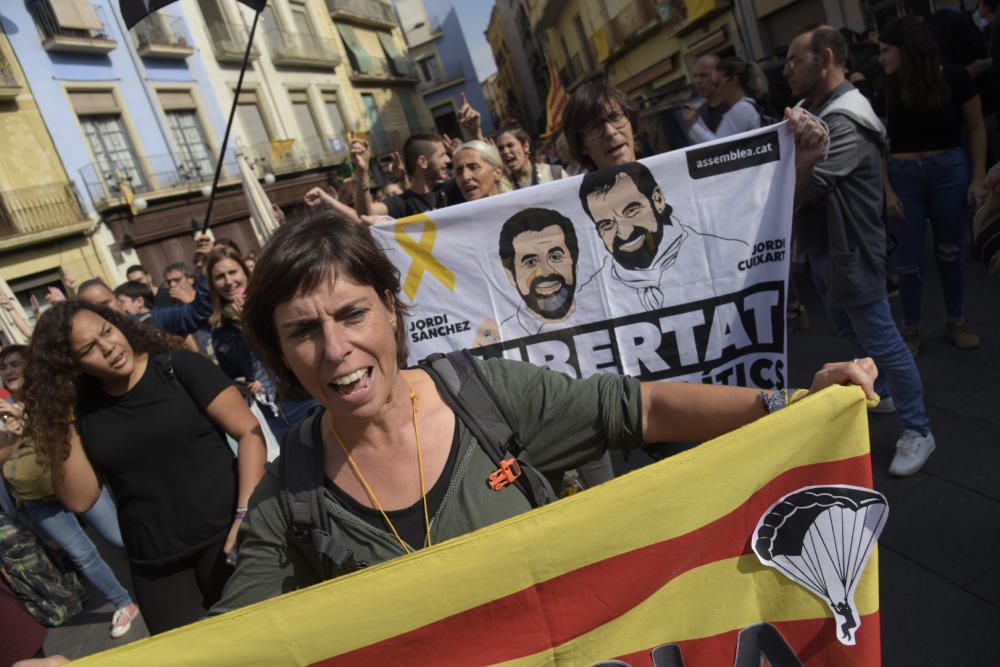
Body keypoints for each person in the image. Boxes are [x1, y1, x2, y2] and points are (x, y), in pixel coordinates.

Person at [209, 210, 875, 614]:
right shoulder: (286, 495)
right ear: (281, 355)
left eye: (352, 313)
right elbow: (239, 638)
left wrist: (791, 403)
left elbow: (640, 406)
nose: (335, 349)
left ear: (390, 305)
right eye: (303, 332)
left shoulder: (490, 397)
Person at [22, 304, 267, 634]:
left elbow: (249, 433)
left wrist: (244, 516)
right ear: (72, 366)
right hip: (155, 563)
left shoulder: (178, 366)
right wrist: (61, 416)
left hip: (226, 539)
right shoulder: (80, 410)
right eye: (89, 349)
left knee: (260, 643)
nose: (108, 347)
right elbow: (80, 500)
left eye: (107, 332)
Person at [785, 25, 937, 476]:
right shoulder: (816, 111)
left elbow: (804, 191)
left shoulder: (844, 118)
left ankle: (919, 430)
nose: (787, 69)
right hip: (826, 250)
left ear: (826, 58)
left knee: (883, 341)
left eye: (796, 59)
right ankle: (885, 395)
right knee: (850, 331)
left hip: (852, 250)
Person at [0, 346, 139, 638]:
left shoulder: (49, 399)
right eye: (4, 367)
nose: (9, 371)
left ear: (31, 367)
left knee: (119, 538)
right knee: (82, 554)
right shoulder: (2, 411)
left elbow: (67, 437)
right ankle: (123, 603)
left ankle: (162, 573)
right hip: (37, 498)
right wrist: (11, 437)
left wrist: (24, 422)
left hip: (75, 483)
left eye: (15, 364)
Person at [879, 16, 987, 354]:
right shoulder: (887, 88)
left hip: (949, 172)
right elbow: (879, 143)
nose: (881, 58)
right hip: (904, 175)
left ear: (905, 49)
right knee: (908, 260)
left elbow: (977, 128)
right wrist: (888, 190)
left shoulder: (954, 78)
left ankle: (956, 320)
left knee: (950, 252)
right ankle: (911, 329)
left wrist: (978, 177)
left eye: (886, 50)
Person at [205, 246, 319, 442]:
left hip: (301, 397)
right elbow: (230, 372)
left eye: (233, 272)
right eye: (220, 277)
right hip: (272, 410)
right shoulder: (220, 328)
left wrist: (249, 324)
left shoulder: (269, 304)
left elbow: (286, 348)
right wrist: (239, 384)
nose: (228, 281)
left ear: (245, 272)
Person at [352, 133, 460, 218]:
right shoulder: (401, 204)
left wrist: (475, 133)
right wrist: (362, 172)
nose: (448, 160)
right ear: (423, 162)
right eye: (442, 155)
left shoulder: (452, 189)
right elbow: (366, 213)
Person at [78, 276, 214, 338]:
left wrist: (206, 268)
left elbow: (199, 311)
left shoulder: (153, 321)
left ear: (117, 300)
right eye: (94, 309)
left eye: (105, 303)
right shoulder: (98, 349)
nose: (102, 311)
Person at [685, 58, 766, 143]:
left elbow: (718, 147)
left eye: (717, 84)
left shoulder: (741, 109)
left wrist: (694, 124)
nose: (716, 90)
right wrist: (697, 122)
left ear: (733, 80)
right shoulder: (745, 106)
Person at [495, 126, 566, 189]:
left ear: (525, 146)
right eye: (501, 148)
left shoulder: (553, 173)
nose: (505, 151)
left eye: (510, 145)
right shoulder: (504, 188)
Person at [687, 54, 730, 135]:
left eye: (703, 75)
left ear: (718, 75)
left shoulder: (733, 105)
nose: (698, 81)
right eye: (695, 76)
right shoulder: (700, 113)